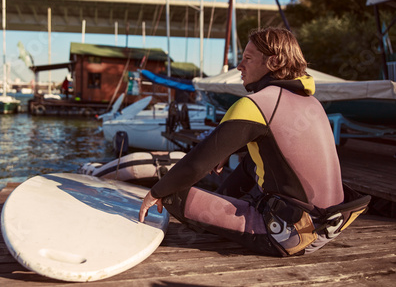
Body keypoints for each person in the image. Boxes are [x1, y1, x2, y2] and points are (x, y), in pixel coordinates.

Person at [139, 27, 370, 257]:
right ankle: (225, 205)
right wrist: (228, 149)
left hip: (287, 234)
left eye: (248, 59)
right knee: (252, 161)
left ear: (275, 62)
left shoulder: (256, 103)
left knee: (171, 192)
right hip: (328, 226)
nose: (239, 66)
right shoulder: (313, 103)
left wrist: (157, 191)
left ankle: (219, 218)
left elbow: (195, 164)